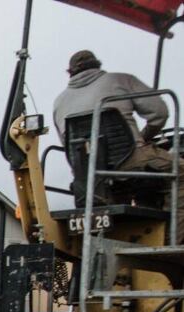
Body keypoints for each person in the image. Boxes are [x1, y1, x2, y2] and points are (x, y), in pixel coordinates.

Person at [53, 49, 183, 244]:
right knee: (180, 171)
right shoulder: (120, 80)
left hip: (91, 175)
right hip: (130, 158)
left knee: (117, 185)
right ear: (97, 65)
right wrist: (143, 138)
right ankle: (172, 241)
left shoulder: (59, 102)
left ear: (70, 72)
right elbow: (159, 113)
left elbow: (68, 145)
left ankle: (117, 240)